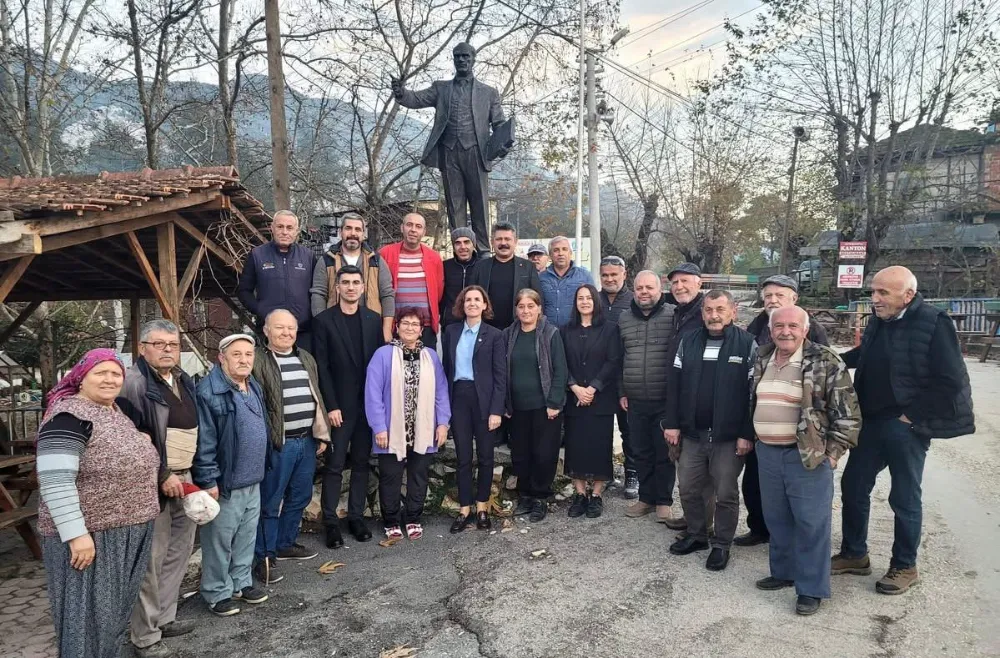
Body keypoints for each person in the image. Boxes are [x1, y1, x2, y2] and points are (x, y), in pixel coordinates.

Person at [833, 266, 974, 595]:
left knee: (904, 497)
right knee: (853, 486)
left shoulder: (933, 322)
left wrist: (912, 416)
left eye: (883, 293)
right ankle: (855, 554)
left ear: (908, 295)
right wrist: (831, 357)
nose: (875, 299)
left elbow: (951, 379)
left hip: (905, 426)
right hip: (871, 422)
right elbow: (865, 357)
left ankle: (904, 566)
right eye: (873, 292)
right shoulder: (879, 321)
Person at [36, 349, 160, 658]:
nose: (110, 379)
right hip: (92, 538)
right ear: (80, 378)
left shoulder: (116, 412)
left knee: (112, 619)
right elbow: (55, 480)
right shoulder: (68, 414)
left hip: (129, 530)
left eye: (116, 373)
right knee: (87, 622)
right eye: (100, 372)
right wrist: (77, 535)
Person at [753, 306, 860, 615]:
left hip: (808, 455)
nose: (785, 331)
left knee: (811, 523)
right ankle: (783, 572)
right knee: (776, 517)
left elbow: (849, 415)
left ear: (805, 329)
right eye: (779, 326)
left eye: (792, 326)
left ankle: (811, 588)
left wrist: (833, 453)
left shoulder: (825, 360)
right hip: (768, 452)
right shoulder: (761, 357)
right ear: (771, 330)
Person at [119, 321, 198, 658]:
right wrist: (162, 472)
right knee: (152, 559)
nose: (168, 349)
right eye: (159, 343)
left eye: (173, 344)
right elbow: (133, 440)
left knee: (179, 551)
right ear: (142, 347)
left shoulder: (182, 379)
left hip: (186, 475)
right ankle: (145, 636)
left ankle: (165, 617)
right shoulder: (133, 385)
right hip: (156, 482)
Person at [662, 290, 756, 571]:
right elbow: (674, 385)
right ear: (702, 313)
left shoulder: (746, 344)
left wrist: (746, 433)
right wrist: (673, 423)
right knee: (689, 488)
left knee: (726, 493)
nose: (714, 315)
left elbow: (753, 395)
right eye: (708, 310)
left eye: (719, 309)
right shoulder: (687, 341)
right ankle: (697, 534)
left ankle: (722, 544)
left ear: (732, 312)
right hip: (691, 433)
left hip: (728, 438)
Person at [738, 274, 829, 548]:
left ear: (794, 299)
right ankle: (760, 528)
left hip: (800, 431)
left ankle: (795, 540)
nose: (772, 300)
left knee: (799, 493)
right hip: (761, 425)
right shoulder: (754, 328)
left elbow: (826, 383)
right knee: (754, 483)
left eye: (779, 295)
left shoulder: (814, 332)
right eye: (768, 296)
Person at [391, 42, 509, 252]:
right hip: (449, 152)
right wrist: (401, 92)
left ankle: (482, 251)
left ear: (473, 59)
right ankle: (461, 249)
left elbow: (499, 122)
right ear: (454, 60)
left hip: (476, 152)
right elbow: (416, 98)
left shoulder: (488, 93)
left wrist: (504, 142)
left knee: (479, 204)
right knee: (455, 205)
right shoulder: (441, 88)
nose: (462, 60)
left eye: (466, 56)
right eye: (458, 56)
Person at [251, 309, 330, 584]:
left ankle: (285, 543)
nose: (286, 333)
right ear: (266, 331)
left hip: (305, 440)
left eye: (290, 329)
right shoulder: (257, 360)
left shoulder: (305, 357)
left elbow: (316, 396)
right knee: (271, 501)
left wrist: (320, 433)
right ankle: (264, 556)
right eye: (279, 328)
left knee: (300, 496)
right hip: (278, 443)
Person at [193, 334, 269, 617]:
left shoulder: (253, 386)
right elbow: (206, 441)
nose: (244, 359)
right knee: (219, 540)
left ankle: (241, 583)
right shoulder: (208, 391)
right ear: (221, 358)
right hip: (225, 483)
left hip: (253, 479)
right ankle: (216, 592)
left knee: (246, 537)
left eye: (248, 354)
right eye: (236, 354)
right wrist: (209, 479)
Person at [313, 265, 385, 548]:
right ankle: (330, 522)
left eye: (356, 282)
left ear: (363, 288)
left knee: (361, 463)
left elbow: (379, 366)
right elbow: (322, 367)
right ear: (338, 287)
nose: (351, 287)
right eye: (346, 282)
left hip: (367, 407)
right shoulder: (323, 321)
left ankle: (356, 517)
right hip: (339, 407)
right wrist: (331, 405)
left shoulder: (373, 319)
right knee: (334, 464)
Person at [365, 307, 451, 541]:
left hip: (423, 428)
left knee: (419, 475)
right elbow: (372, 393)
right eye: (406, 323)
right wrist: (379, 427)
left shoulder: (430, 356)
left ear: (421, 330)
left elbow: (441, 391)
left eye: (415, 324)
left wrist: (442, 423)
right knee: (390, 477)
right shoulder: (383, 355)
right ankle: (391, 520)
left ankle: (413, 517)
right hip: (392, 429)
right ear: (397, 327)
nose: (410, 328)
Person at [618, 271, 681, 526]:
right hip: (634, 399)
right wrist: (621, 391)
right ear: (633, 290)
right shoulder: (623, 318)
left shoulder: (673, 316)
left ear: (660, 289)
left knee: (664, 453)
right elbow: (618, 356)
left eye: (649, 288)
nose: (644, 292)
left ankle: (664, 502)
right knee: (640, 451)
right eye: (639, 288)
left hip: (664, 398)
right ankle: (646, 498)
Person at [442, 286, 506, 532]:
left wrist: (496, 410)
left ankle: (482, 507)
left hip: (485, 400)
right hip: (459, 397)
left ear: (484, 305)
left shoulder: (494, 335)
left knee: (487, 457)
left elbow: (501, 375)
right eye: (467, 299)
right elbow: (446, 370)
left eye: (477, 299)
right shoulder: (451, 331)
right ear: (462, 304)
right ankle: (464, 508)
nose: (472, 303)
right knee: (463, 457)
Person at [503, 289, 568, 523]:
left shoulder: (550, 334)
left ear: (539, 308)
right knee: (521, 454)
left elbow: (561, 370)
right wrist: (505, 403)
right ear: (516, 310)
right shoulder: (508, 334)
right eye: (521, 306)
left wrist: (555, 402)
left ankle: (541, 497)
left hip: (545, 406)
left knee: (544, 453)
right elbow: (502, 371)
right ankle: (526, 495)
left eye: (531, 306)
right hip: (517, 407)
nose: (526, 310)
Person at [561, 284, 622, 519]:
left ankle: (596, 494)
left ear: (596, 301)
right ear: (575, 302)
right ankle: (579, 494)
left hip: (601, 398)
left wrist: (593, 387)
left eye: (589, 298)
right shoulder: (565, 330)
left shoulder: (609, 329)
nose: (584, 301)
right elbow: (561, 362)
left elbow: (613, 361)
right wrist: (575, 388)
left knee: (599, 446)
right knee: (575, 447)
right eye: (580, 298)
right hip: (574, 397)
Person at [310, 212, 395, 342]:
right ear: (340, 232)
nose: (353, 233)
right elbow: (318, 294)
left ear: (363, 234)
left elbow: (387, 295)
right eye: (348, 228)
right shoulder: (327, 261)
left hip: (370, 328)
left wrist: (386, 329)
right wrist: (322, 326)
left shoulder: (376, 261)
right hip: (336, 329)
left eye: (358, 229)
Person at [238, 210, 316, 350]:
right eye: (280, 227)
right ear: (272, 228)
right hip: (269, 333)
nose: (284, 232)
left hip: (303, 333)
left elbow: (317, 292)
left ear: (297, 231)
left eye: (289, 227)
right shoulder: (257, 255)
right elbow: (244, 291)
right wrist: (261, 310)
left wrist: (311, 314)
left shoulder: (309, 257)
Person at [598, 255, 637, 499]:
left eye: (614, 274)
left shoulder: (634, 300)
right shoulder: (594, 299)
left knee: (628, 428)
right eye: (605, 275)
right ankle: (605, 473)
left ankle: (632, 473)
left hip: (626, 375)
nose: (610, 279)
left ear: (624, 274)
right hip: (599, 376)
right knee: (601, 428)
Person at [380, 212, 445, 349]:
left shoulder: (434, 258)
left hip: (425, 328)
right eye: (409, 225)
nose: (413, 230)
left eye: (418, 226)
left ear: (424, 231)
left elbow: (438, 292)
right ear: (402, 227)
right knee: (395, 368)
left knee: (425, 368)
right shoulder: (386, 254)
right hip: (395, 327)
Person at [469, 222, 542, 331]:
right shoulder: (480, 267)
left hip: (518, 328)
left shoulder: (528, 267)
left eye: (507, 239)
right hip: (486, 329)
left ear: (515, 242)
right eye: (499, 239)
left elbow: (538, 299)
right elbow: (470, 296)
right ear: (492, 242)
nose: (503, 243)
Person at [539, 236, 594, 328]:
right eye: (556, 250)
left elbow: (594, 304)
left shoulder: (585, 276)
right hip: (548, 334)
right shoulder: (541, 278)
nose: (561, 253)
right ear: (550, 256)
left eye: (564, 249)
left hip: (576, 332)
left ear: (570, 253)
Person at [441, 227, 481, 329]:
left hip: (477, 324)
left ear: (473, 244)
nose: (462, 247)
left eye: (467, 242)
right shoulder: (444, 266)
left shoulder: (483, 266)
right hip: (450, 324)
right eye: (458, 243)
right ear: (454, 247)